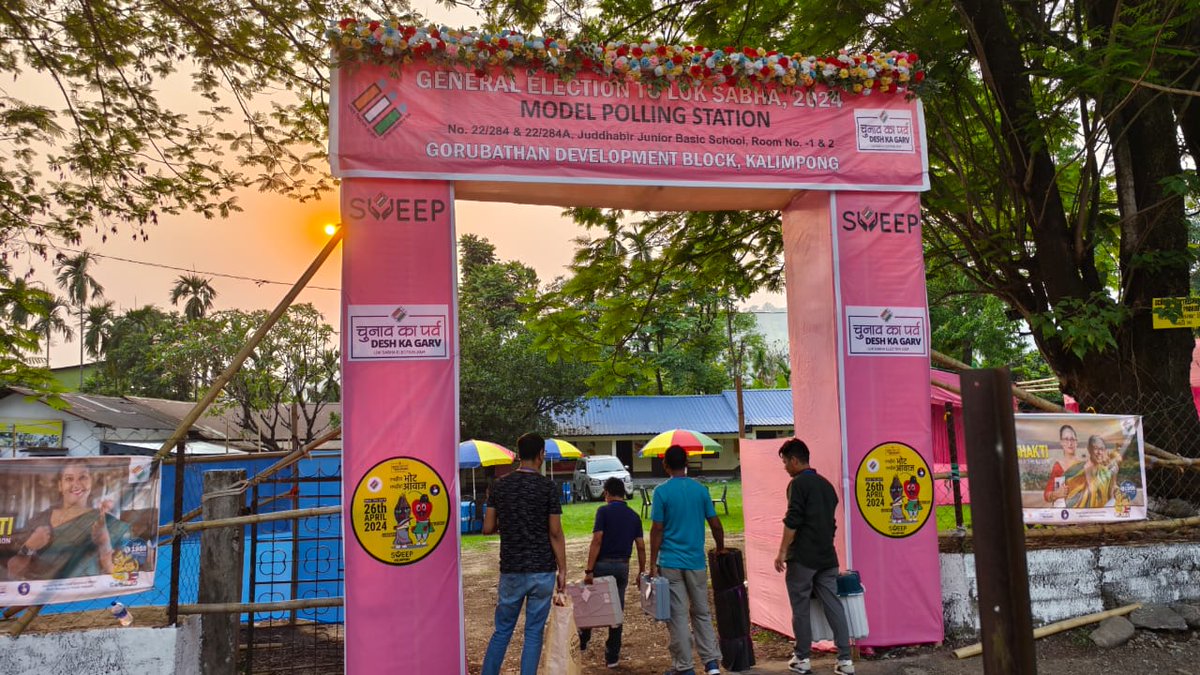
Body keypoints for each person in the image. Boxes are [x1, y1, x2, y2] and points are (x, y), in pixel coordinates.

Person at [481, 433, 568, 675]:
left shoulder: (499, 486)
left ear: (518, 454)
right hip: (542, 570)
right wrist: (563, 570)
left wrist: (509, 523)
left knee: (503, 630)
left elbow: (487, 528)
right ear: (541, 454)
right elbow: (555, 532)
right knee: (533, 632)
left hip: (511, 570)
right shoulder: (548, 488)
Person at [773, 438, 854, 675]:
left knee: (800, 607)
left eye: (786, 462)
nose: (785, 467)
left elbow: (793, 520)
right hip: (827, 557)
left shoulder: (797, 484)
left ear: (795, 461)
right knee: (834, 605)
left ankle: (802, 658)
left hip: (803, 559)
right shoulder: (826, 485)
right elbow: (831, 524)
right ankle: (845, 660)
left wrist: (782, 551)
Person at [649, 444, 724, 675]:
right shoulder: (700, 490)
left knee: (678, 616)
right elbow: (715, 524)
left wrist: (653, 562)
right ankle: (711, 663)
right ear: (687, 463)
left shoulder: (661, 492)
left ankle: (685, 667)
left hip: (670, 562)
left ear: (665, 465)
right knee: (702, 612)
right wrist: (720, 547)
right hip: (696, 562)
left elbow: (657, 530)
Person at [8, 459, 130, 580]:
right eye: (69, 479)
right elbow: (13, 571)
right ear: (60, 486)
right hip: (43, 594)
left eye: (82, 477)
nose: (76, 484)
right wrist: (29, 546)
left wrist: (104, 544)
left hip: (87, 593)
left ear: (91, 482)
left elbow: (122, 575)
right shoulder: (39, 520)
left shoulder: (107, 522)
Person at [580, 476, 646, 669]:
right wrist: (641, 571)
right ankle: (612, 656)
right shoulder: (634, 516)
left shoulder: (603, 512)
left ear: (607, 493)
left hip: (603, 565)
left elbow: (597, 540)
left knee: (590, 603)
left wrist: (589, 570)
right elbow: (641, 546)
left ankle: (584, 636)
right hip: (622, 566)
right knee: (617, 609)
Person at [1065, 435, 1122, 508]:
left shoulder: (1104, 471)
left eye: (1102, 449)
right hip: (1080, 515)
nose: (1099, 452)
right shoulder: (1077, 470)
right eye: (1096, 448)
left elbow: (1111, 493)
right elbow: (1065, 490)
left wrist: (1114, 477)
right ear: (1089, 449)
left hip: (1101, 514)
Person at [1043, 424, 1080, 505]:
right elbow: (1046, 495)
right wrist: (1056, 494)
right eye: (1066, 439)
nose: (1070, 443)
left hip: (1081, 513)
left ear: (1076, 442)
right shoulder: (1058, 466)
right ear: (1061, 442)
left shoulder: (1084, 465)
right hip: (1063, 513)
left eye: (1072, 439)